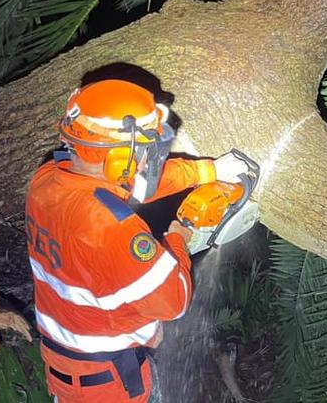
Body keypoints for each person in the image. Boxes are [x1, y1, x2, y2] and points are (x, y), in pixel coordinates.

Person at [24, 79, 248, 402]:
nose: (149, 158)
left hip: (64, 369)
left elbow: (138, 187)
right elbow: (174, 300)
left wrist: (207, 171)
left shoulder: (46, 180)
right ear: (117, 158)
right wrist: (180, 233)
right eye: (144, 150)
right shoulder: (114, 229)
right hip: (111, 385)